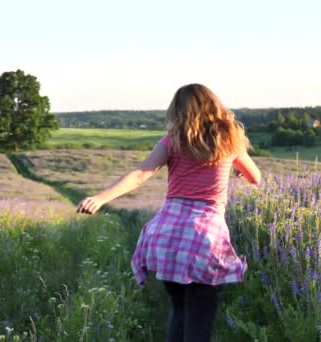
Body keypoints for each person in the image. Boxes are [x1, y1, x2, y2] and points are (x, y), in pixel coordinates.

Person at [76, 83, 261, 342]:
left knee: (179, 310)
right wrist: (239, 169)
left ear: (179, 111)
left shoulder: (172, 142)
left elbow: (140, 175)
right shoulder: (230, 140)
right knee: (200, 316)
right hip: (204, 236)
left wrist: (99, 198)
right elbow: (256, 176)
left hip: (168, 236)